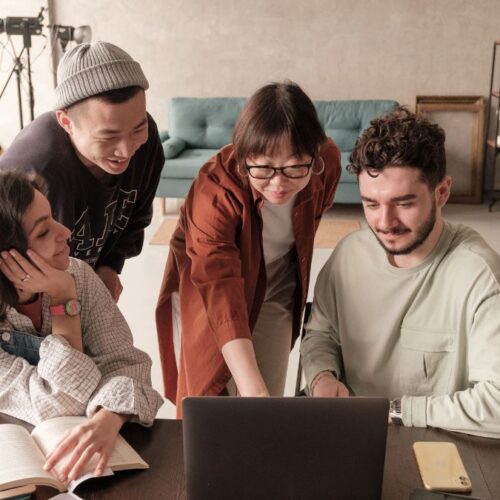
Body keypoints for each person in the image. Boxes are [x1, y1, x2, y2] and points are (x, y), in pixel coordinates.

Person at [300, 108, 500, 438]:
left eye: (404, 203)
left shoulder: (481, 276)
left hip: (437, 440)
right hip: (349, 431)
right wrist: (321, 376)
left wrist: (395, 412)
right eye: (371, 204)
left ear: (442, 192)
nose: (384, 222)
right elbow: (321, 335)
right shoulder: (348, 255)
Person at [156, 81, 342, 414]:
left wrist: (259, 394)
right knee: (208, 392)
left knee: (267, 388)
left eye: (295, 167)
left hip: (278, 278)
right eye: (264, 168)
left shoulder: (326, 161)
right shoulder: (214, 191)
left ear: (313, 155)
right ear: (243, 157)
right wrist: (252, 388)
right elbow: (219, 287)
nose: (279, 183)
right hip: (207, 286)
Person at [0, 170, 164, 480]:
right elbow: (58, 403)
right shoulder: (68, 282)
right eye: (43, 231)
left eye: (53, 217)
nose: (65, 232)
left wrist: (108, 418)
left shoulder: (79, 275)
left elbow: (131, 367)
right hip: (17, 473)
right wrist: (64, 298)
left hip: (85, 462)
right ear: (7, 256)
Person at [0, 41, 165, 301]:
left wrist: (110, 266)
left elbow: (137, 215)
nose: (126, 151)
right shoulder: (34, 168)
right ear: (66, 122)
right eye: (108, 136)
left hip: (82, 289)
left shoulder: (147, 140)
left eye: (138, 128)